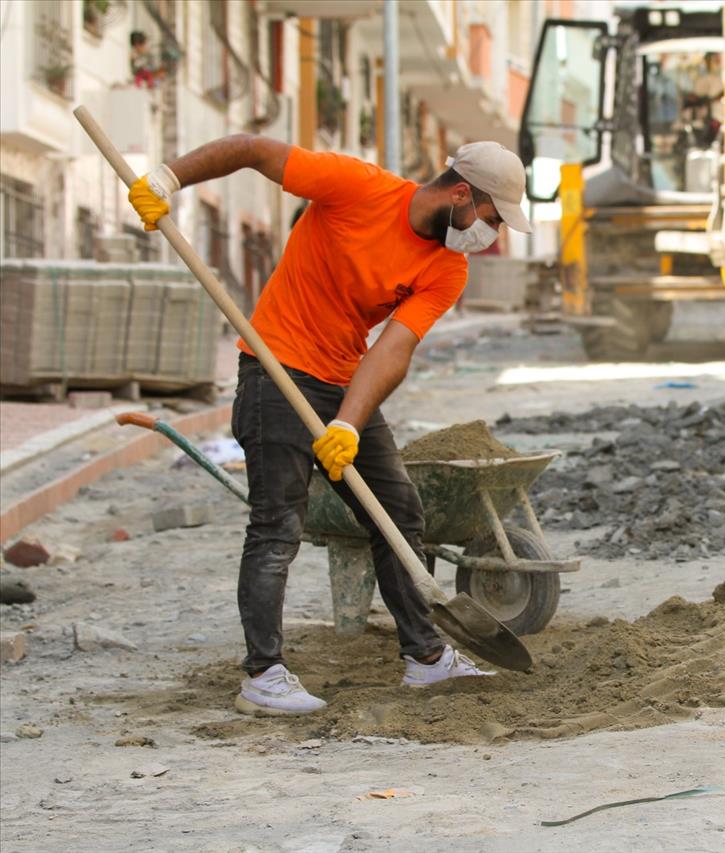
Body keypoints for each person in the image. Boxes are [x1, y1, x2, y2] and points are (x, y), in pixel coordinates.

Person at [127, 137, 532, 715]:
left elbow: (393, 349)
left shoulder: (448, 266)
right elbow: (250, 150)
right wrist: (168, 178)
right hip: (275, 370)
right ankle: (262, 676)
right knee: (277, 526)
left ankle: (426, 659)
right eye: (492, 217)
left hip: (343, 385)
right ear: (462, 193)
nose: (493, 233)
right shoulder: (356, 187)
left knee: (399, 512)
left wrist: (347, 423)